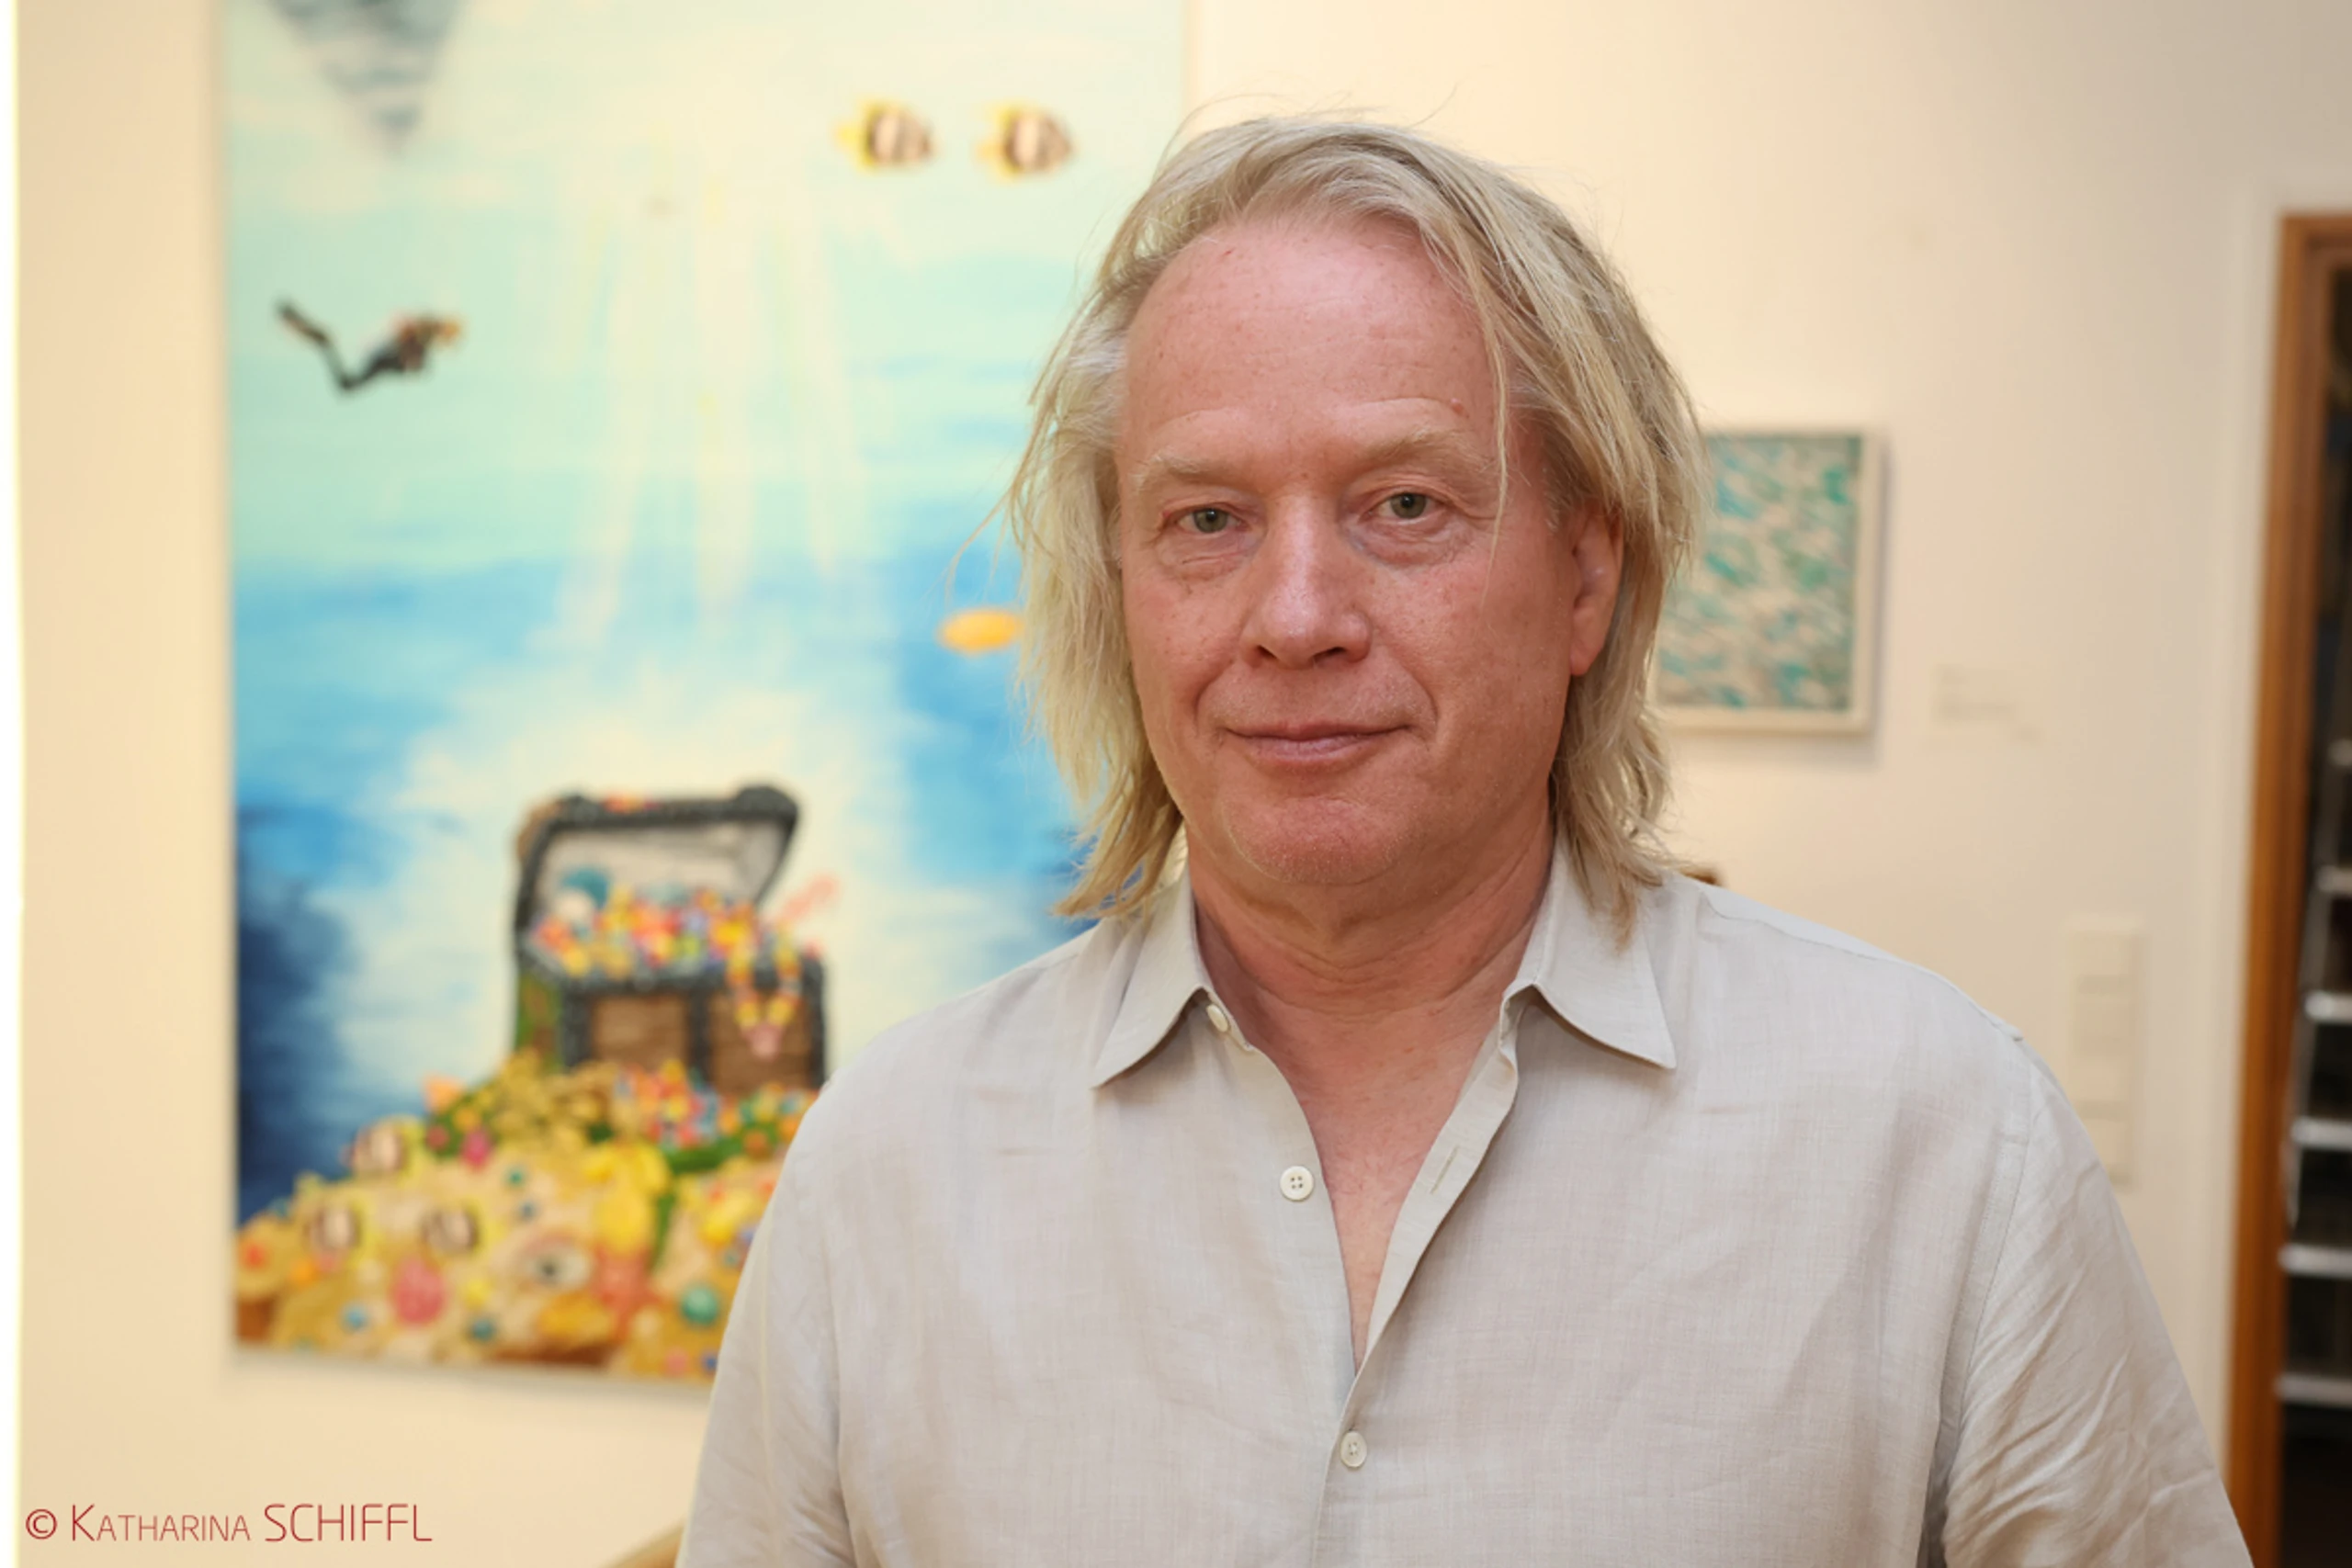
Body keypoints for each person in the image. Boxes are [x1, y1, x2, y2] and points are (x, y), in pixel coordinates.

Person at [681, 117, 2249, 1566]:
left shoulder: (1942, 1148)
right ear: (1123, 590)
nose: (1297, 615)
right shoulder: (889, 1175)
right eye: (1208, 519)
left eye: (1406, 505)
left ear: (1586, 577)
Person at [277, 300, 461, 394]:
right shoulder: (418, 337)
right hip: (375, 358)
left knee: (342, 372)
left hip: (377, 360)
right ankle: (310, 332)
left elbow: (413, 362)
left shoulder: (420, 345)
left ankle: (309, 331)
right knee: (343, 375)